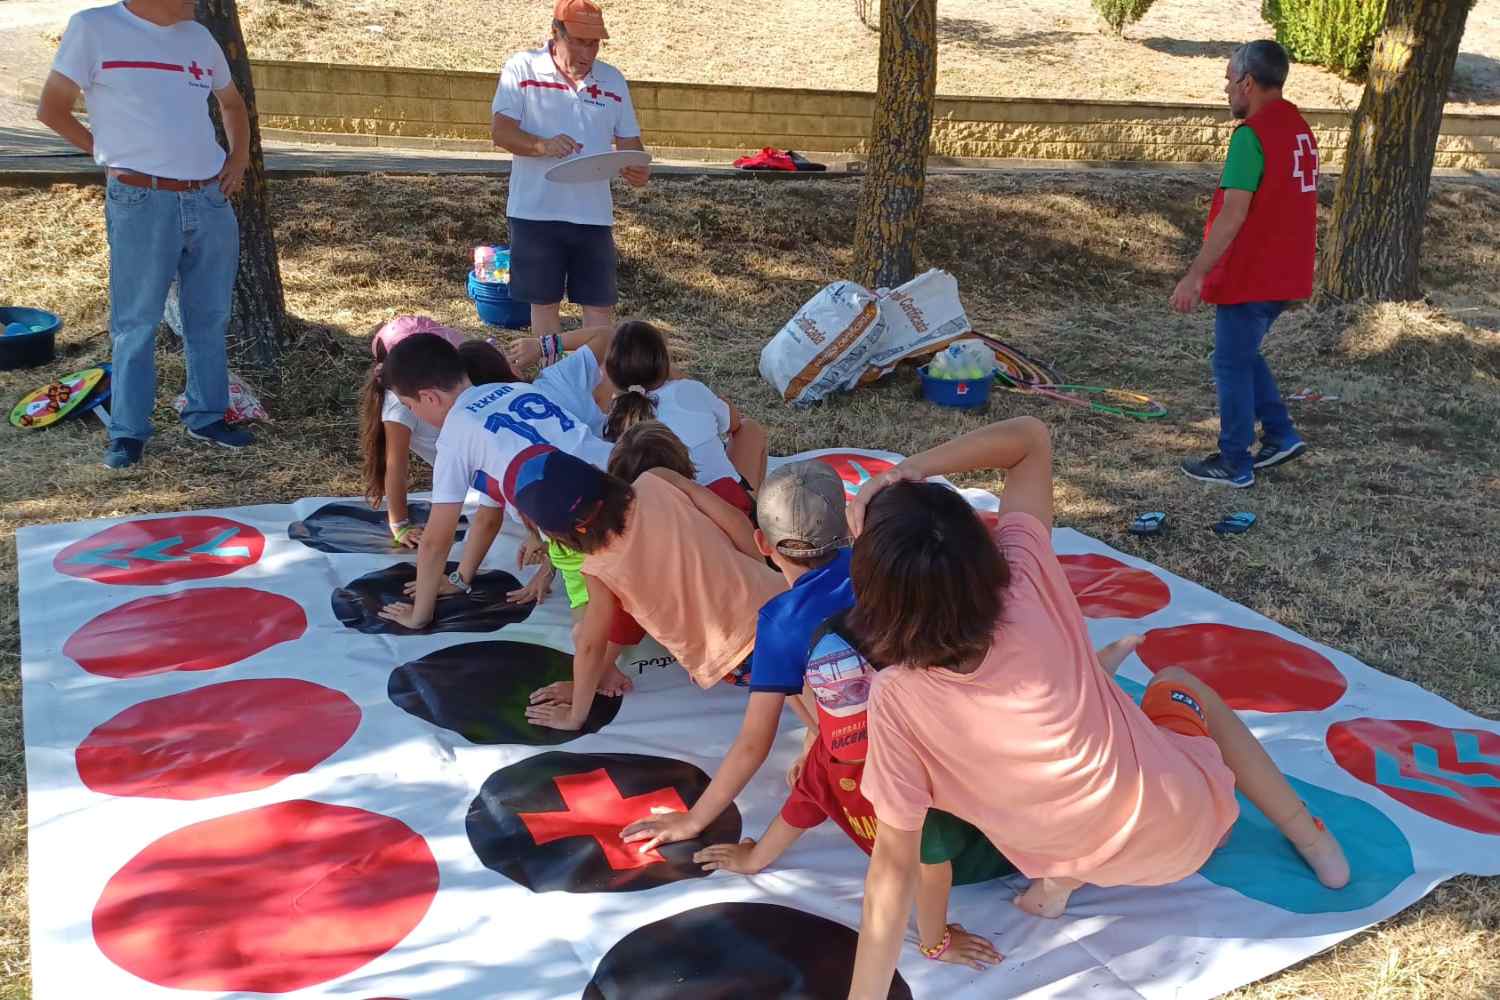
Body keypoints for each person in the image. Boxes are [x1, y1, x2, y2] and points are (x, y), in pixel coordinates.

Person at [841, 417, 1350, 999]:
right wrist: (915, 468)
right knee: (1179, 684)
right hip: (1183, 822)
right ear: (979, 550)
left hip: (1077, 854)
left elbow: (892, 869)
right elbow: (1029, 437)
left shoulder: (896, 698)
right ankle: (1308, 835)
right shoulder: (1027, 581)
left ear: (873, 586)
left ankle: (1061, 884)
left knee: (1083, 749)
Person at [694, 619, 1146, 973]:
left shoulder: (849, 756)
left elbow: (804, 812)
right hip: (988, 839)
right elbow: (929, 871)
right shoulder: (891, 761)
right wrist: (937, 942)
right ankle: (1093, 677)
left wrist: (754, 861)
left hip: (982, 845)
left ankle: (1095, 676)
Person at [37, 0, 255, 469]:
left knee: (210, 316)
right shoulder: (93, 28)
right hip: (141, 199)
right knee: (137, 323)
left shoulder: (198, 38)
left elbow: (232, 104)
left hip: (209, 199)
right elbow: (51, 109)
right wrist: (108, 153)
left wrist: (238, 160)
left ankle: (207, 415)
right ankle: (129, 432)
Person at [620, 460, 854, 853]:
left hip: (877, 777)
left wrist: (694, 820)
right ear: (848, 528)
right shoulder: (880, 564)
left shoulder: (781, 621)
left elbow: (753, 742)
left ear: (762, 544)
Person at [510, 447, 786, 731]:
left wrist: (576, 716)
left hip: (739, 655)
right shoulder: (658, 479)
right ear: (597, 471)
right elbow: (735, 521)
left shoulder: (598, 568)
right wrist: (762, 572)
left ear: (558, 535)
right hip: (782, 599)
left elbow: (591, 645)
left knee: (803, 686)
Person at [375, 333, 614, 633]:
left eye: (410, 406)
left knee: (590, 624)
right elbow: (488, 515)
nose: (413, 414)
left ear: (429, 397)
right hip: (626, 482)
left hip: (587, 524)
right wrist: (461, 579)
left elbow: (436, 541)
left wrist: (419, 615)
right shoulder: (512, 390)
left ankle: (594, 676)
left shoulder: (455, 435)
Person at [1170, 40, 1315, 488]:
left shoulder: (1251, 136)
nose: (1226, 90)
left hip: (1252, 273)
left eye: (1230, 81)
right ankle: (1280, 434)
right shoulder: (1299, 128)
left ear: (1248, 83)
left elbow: (1233, 214)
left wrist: (1195, 276)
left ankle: (1234, 460)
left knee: (1230, 363)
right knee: (1242, 354)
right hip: (1286, 271)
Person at [490, 0, 650, 338]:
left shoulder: (613, 81)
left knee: (599, 307)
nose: (587, 52)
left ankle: (597, 385)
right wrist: (542, 146)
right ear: (555, 33)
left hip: (593, 216)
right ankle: (552, 379)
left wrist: (636, 168)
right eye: (578, 41)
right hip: (535, 212)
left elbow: (631, 147)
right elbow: (501, 132)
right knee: (544, 304)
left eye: (594, 43)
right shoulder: (522, 68)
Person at [361, 317, 515, 547]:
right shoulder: (400, 403)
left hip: (492, 472)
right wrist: (400, 523)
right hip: (482, 476)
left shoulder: (447, 390)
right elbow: (395, 464)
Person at [601, 320, 768, 509]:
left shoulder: (615, 418)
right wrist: (680, 377)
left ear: (612, 373)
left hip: (682, 519)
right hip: (728, 507)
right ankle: (760, 515)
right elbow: (735, 423)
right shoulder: (686, 390)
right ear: (664, 362)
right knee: (750, 429)